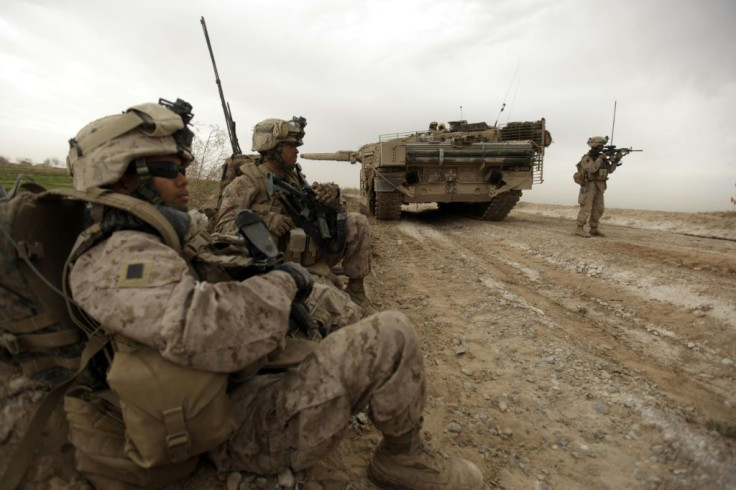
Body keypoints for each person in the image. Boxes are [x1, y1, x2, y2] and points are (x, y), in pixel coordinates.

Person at [64, 99, 484, 489]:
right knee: (392, 335)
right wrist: (282, 280)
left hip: (226, 390)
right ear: (122, 173)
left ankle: (372, 370)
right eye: (168, 168)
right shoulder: (119, 254)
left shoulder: (145, 237)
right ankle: (402, 458)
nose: (183, 176)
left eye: (183, 166)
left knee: (338, 306)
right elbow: (209, 321)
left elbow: (208, 274)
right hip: (231, 428)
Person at [214, 117, 374, 312]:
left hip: (312, 256)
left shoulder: (295, 177)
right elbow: (222, 230)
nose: (297, 149)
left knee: (357, 221)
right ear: (271, 147)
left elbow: (320, 210)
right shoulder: (246, 183)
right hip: (278, 267)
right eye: (290, 145)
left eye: (297, 144)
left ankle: (356, 290)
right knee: (346, 313)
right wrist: (264, 221)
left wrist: (330, 196)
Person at [574, 136, 624, 237]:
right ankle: (579, 228)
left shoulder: (602, 158)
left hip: (600, 185)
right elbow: (592, 169)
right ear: (595, 146)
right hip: (589, 185)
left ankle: (594, 228)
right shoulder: (586, 158)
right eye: (601, 145)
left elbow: (610, 170)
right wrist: (600, 158)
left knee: (598, 208)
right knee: (586, 207)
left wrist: (616, 160)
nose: (602, 147)